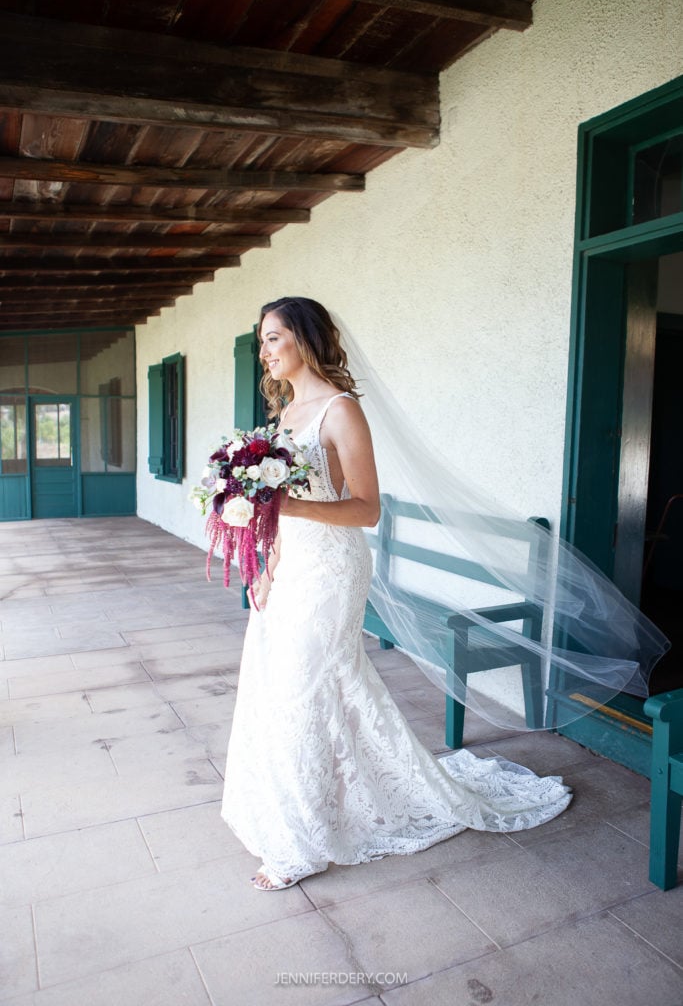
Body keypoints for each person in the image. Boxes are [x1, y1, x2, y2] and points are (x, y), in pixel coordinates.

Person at [220, 296, 572, 891]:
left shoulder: (340, 411)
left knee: (304, 687)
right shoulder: (281, 418)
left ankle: (301, 844)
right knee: (280, 685)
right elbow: (276, 515)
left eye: (274, 338)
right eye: (261, 341)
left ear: (304, 339)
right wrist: (265, 564)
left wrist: (289, 502)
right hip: (291, 566)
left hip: (332, 571)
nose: (265, 351)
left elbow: (366, 509)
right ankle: (304, 810)